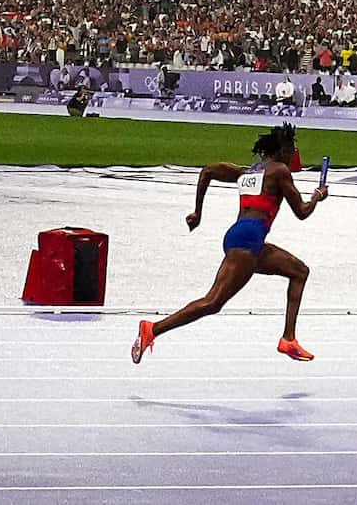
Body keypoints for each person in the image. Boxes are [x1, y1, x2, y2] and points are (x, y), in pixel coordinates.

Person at [132, 123, 325, 365]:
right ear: (283, 149)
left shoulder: (248, 172)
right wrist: (317, 197)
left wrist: (198, 213)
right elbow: (302, 212)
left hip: (243, 236)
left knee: (299, 271)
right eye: (292, 149)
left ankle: (288, 339)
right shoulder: (279, 171)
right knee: (213, 302)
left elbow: (208, 171)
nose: (293, 155)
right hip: (248, 240)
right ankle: (153, 329)